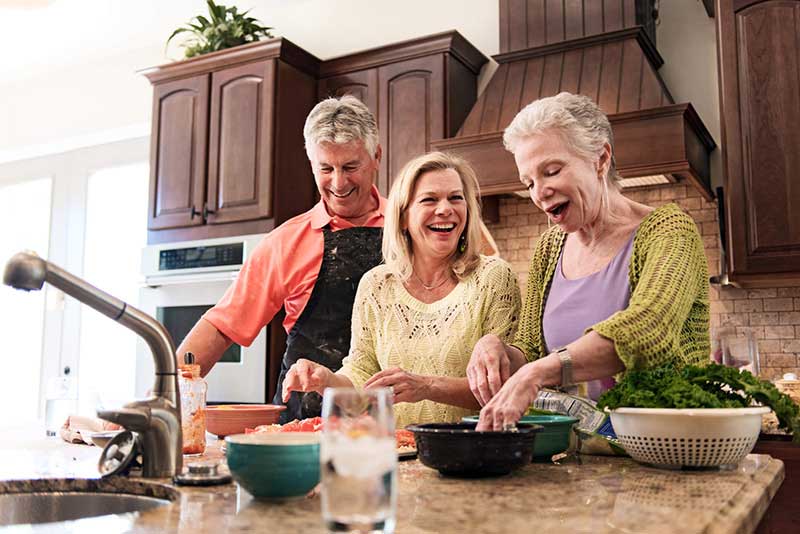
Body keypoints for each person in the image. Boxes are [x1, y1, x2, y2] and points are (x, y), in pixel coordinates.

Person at [467, 92, 710, 431]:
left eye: (551, 171)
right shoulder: (549, 248)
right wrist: (496, 348)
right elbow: (531, 349)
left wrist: (537, 373)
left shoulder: (669, 232)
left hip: (663, 448)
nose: (539, 193)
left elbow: (649, 328)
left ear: (600, 159)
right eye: (529, 183)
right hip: (578, 455)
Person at [176, 95, 387, 423]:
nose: (338, 182)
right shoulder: (286, 242)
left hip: (389, 417)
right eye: (326, 168)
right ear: (311, 164)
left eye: (350, 167)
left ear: (376, 157)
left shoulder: (411, 227)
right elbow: (220, 327)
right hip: (304, 424)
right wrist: (161, 395)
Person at [281, 152, 522, 428]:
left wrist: (427, 387)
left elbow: (505, 386)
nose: (445, 209)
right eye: (429, 199)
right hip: (396, 452)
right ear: (403, 217)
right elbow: (362, 374)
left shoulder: (493, 278)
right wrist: (327, 380)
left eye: (456, 198)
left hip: (471, 453)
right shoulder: (376, 285)